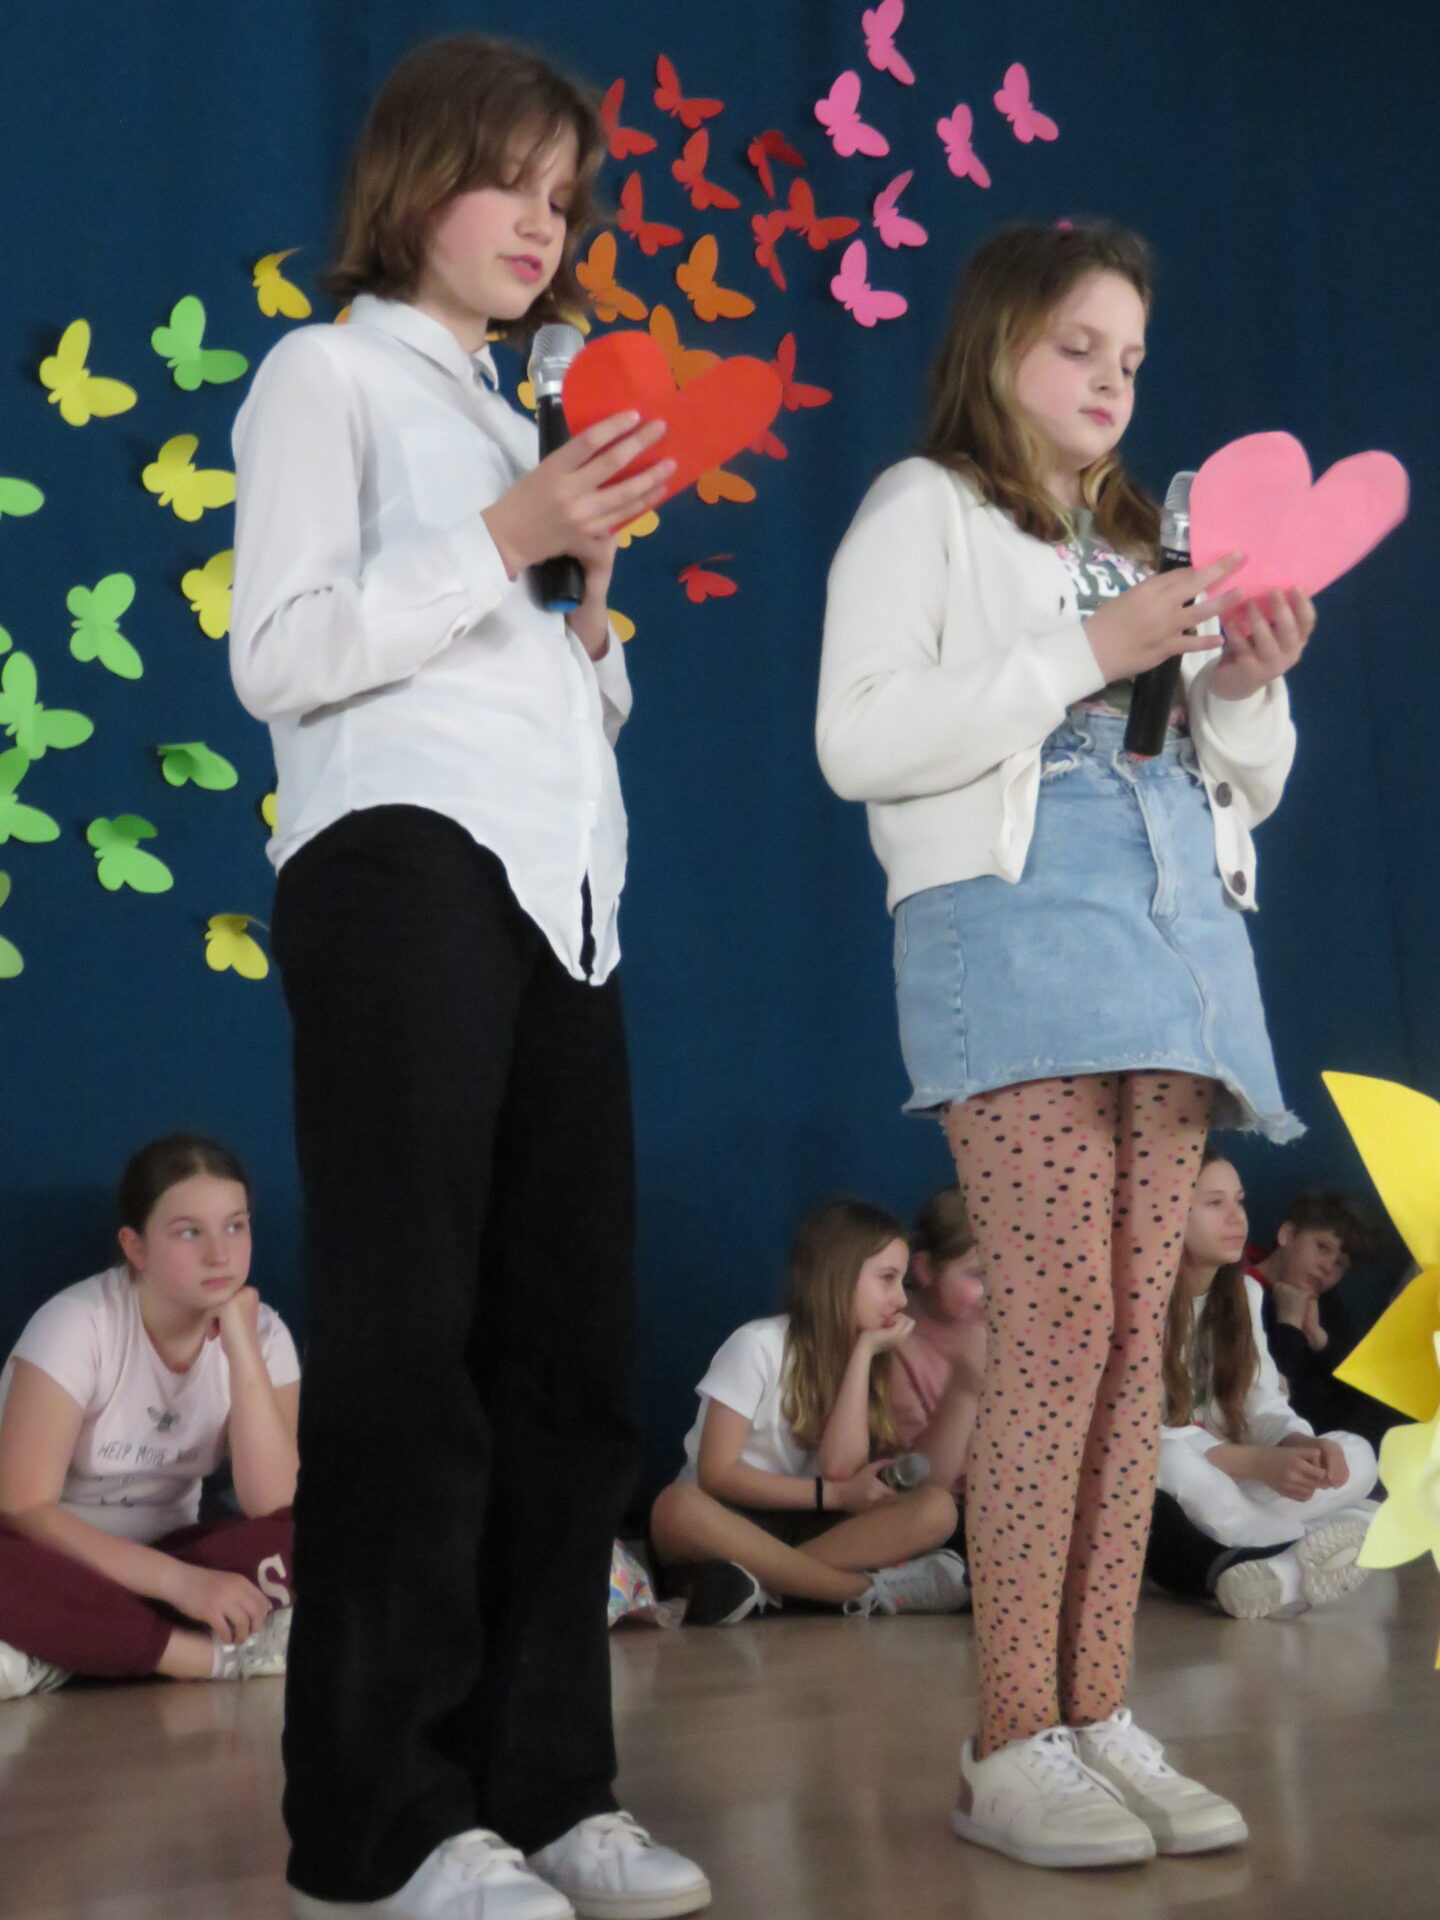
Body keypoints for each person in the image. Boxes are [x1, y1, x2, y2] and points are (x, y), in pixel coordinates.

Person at [228, 33, 707, 1920]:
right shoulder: (326, 375)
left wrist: (586, 616)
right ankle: (385, 1824)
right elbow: (281, 653)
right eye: (511, 178)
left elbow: (554, 695)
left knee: (567, 1357)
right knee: (407, 1350)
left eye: (566, 196)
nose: (542, 222)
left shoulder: (526, 428)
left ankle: (547, 1781)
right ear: (415, 177)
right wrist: (505, 540)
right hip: (398, 871)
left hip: (565, 896)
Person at [817, 221, 1315, 1870]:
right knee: (1055, 1334)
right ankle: (1011, 1736)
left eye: (1132, 357)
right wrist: (1090, 651)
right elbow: (857, 738)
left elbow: (1240, 781)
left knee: (1132, 1346)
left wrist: (1245, 685)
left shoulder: (1144, 534)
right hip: (1016, 939)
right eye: (1079, 345)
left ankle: (1096, 1709)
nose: (1112, 379)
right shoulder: (925, 508)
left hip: (1173, 948)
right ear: (999, 341)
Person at [0, 1135, 298, 1700]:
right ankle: (203, 1655)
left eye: (235, 1226)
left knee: (314, 1537)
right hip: (49, 1559)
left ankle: (62, 1646)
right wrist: (183, 1587)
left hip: (175, 1548)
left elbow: (275, 1505)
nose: (220, 1254)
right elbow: (22, 1508)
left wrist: (241, 1346)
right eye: (189, 1232)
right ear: (135, 1248)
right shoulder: (78, 1324)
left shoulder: (264, 1334)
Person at [649, 1201, 967, 1625]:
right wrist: (834, 1496)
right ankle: (863, 1592)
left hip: (806, 1526)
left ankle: (759, 1588)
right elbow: (716, 1474)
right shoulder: (757, 1345)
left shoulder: (869, 1358)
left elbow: (840, 1470)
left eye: (903, 1281)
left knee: (938, 1509)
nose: (901, 1298)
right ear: (837, 1275)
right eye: (887, 1278)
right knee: (676, 1508)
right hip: (728, 1517)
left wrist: (863, 1355)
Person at [1148, 1151, 1377, 1619]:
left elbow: (1264, 1404)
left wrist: (1299, 1445)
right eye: (1215, 1203)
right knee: (1167, 1459)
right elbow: (1136, 1436)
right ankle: (1305, 1548)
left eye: (1239, 1200)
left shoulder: (1245, 1293)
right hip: (1184, 1485)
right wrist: (1256, 1462)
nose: (1237, 1217)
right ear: (1168, 1214)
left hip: (1237, 1486)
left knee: (1357, 1455)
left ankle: (1274, 1565)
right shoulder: (1140, 1302)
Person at [1245, 1192, 1389, 1443]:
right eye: (1322, 1247)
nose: (1327, 1267)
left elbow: (1364, 1391)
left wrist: (1321, 1341)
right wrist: (1289, 1325)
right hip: (1276, 1439)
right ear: (1288, 1235)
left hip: (1337, 1436)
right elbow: (1268, 1399)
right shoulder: (1238, 1287)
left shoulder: (1326, 1302)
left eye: (1340, 1264)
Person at [889, 1186, 987, 1504]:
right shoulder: (893, 1345)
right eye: (979, 1275)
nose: (999, 1292)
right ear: (925, 1269)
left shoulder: (1010, 1331)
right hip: (948, 1514)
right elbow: (919, 1486)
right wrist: (964, 1389)